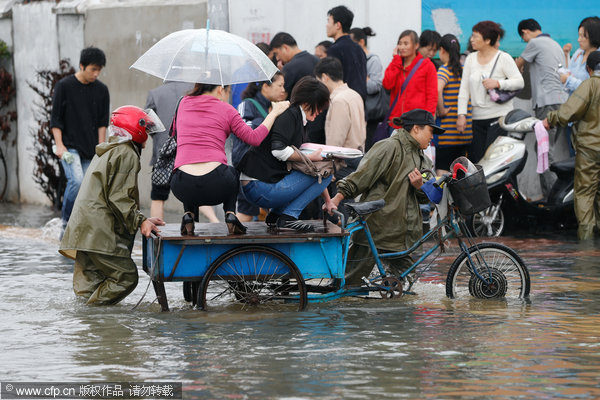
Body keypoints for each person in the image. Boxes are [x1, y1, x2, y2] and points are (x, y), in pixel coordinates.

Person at [59, 106, 166, 305]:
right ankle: (95, 318)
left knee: (87, 289)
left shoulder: (110, 150)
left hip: (86, 230)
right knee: (126, 277)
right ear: (137, 129)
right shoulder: (127, 154)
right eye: (146, 130)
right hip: (98, 231)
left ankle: (90, 330)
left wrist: (143, 219)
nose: (148, 137)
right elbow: (119, 197)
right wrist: (141, 221)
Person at [324, 109, 442, 286]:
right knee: (348, 283)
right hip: (376, 227)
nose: (432, 136)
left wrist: (419, 187)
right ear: (416, 128)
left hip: (403, 234)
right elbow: (362, 176)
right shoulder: (388, 147)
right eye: (430, 131)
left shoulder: (424, 160)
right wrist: (337, 198)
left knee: (405, 283)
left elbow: (425, 198)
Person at [170, 82, 289, 236]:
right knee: (233, 172)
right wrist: (275, 112)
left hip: (180, 185)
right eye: (228, 92)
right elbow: (254, 138)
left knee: (188, 167)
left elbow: (174, 133)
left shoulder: (182, 103)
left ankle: (189, 215)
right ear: (221, 89)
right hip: (218, 184)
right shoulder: (226, 109)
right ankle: (230, 214)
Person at [237, 77, 334, 232]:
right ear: (308, 103)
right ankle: (289, 217)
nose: (320, 112)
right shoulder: (290, 115)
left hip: (257, 185)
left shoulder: (297, 118)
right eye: (320, 107)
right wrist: (309, 158)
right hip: (259, 187)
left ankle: (277, 215)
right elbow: (278, 150)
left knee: (325, 172)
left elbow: (316, 171)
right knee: (328, 173)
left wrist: (328, 201)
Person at [51, 47, 110, 230]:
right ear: (82, 66)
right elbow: (56, 120)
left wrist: (101, 149)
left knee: (88, 188)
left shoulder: (102, 90)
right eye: (93, 69)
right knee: (76, 181)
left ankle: (82, 226)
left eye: (99, 69)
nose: (96, 73)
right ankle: (66, 223)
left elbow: (102, 123)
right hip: (69, 148)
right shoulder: (64, 87)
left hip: (90, 148)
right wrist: (60, 145)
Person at [543, 51, 600, 240]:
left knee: (584, 192)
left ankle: (586, 240)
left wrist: (550, 119)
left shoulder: (590, 85)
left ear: (588, 69)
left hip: (590, 148)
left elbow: (568, 112)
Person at [144, 81, 219, 223]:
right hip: (190, 152)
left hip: (164, 153)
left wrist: (159, 137)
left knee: (158, 196)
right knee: (196, 193)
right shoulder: (193, 91)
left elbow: (147, 123)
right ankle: (214, 220)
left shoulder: (155, 93)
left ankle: (158, 233)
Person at [515, 18, 570, 195]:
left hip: (547, 103)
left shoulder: (535, 42)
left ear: (525, 32)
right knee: (547, 149)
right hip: (562, 102)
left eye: (523, 38)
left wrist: (517, 67)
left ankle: (554, 196)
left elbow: (517, 65)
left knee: (544, 150)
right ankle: (556, 193)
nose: (525, 42)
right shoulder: (554, 44)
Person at [457, 21, 524, 163]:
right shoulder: (470, 59)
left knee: (496, 160)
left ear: (487, 40)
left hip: (499, 117)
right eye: (472, 36)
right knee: (479, 160)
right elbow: (464, 89)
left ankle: (505, 186)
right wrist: (461, 114)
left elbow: (519, 82)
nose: (471, 39)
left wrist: (499, 83)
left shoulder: (503, 57)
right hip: (476, 118)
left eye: (476, 36)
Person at [233, 71, 287, 222]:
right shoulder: (247, 104)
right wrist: (269, 119)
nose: (283, 89)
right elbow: (245, 130)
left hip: (263, 167)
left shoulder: (273, 106)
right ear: (265, 86)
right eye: (280, 85)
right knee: (246, 211)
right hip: (246, 167)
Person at [382, 30, 438, 132]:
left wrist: (427, 122)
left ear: (416, 45)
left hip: (417, 125)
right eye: (400, 43)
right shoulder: (396, 64)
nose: (402, 47)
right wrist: (396, 60)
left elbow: (432, 96)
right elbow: (387, 84)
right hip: (396, 124)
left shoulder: (427, 65)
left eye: (406, 44)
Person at [435, 34, 473, 173]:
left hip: (447, 136)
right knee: (461, 175)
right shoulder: (464, 70)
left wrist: (442, 110)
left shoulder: (445, 69)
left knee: (443, 174)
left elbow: (437, 89)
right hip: (466, 133)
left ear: (442, 50)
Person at [350, 26, 387, 151]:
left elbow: (375, 85)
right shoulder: (355, 60)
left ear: (361, 42)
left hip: (370, 113)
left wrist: (358, 82)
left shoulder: (372, 60)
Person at [325, 5, 367, 101]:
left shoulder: (335, 49)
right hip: (359, 102)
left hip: (342, 102)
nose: (326, 25)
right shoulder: (359, 48)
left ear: (338, 25)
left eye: (329, 21)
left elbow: (332, 82)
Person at [270, 32, 318, 97]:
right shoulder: (317, 60)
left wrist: (281, 74)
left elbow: (281, 97)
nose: (277, 58)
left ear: (285, 48)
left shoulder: (289, 67)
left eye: (276, 53)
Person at [561, 17, 600, 94]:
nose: (578, 39)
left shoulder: (598, 58)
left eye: (582, 36)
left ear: (593, 36)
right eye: (579, 35)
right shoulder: (578, 53)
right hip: (573, 102)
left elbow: (593, 88)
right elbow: (569, 71)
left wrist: (568, 80)